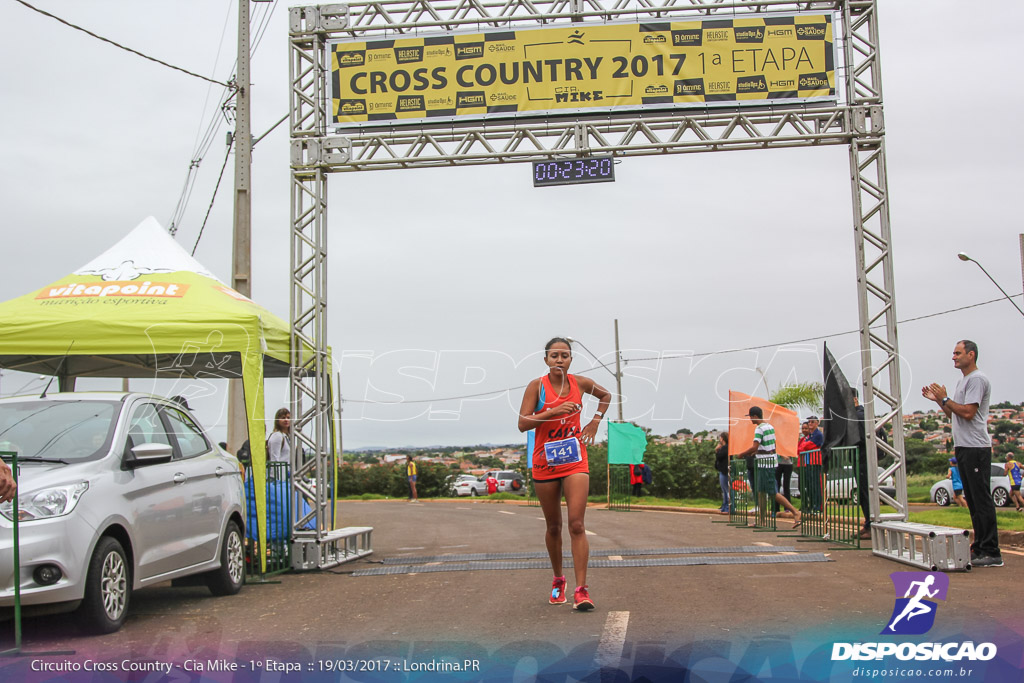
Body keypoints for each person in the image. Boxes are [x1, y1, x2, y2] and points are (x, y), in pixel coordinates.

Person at [518, 337, 611, 612]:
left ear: (571, 359)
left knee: (577, 524)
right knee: (554, 527)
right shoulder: (537, 386)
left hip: (574, 459)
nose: (560, 360)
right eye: (555, 355)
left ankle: (582, 590)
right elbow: (523, 423)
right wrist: (554, 411)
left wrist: (594, 422)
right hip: (545, 461)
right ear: (546, 359)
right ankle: (559, 579)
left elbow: (606, 396)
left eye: (565, 356)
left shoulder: (580, 384)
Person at [922, 340, 1001, 567]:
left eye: (958, 353)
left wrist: (946, 398)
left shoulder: (977, 379)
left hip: (976, 447)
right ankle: (979, 548)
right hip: (964, 447)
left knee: (981, 499)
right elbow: (954, 415)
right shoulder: (963, 381)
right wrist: (940, 400)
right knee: (973, 500)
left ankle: (991, 550)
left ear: (971, 355)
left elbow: (967, 412)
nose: (953, 357)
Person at [734, 406, 801, 527]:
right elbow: (770, 445)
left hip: (765, 464)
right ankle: (761, 520)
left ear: (755, 416)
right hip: (769, 462)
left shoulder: (759, 429)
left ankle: (795, 512)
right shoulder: (770, 427)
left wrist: (742, 454)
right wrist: (758, 451)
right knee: (761, 492)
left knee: (772, 492)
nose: (750, 420)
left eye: (750, 417)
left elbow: (755, 446)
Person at [714, 433, 731, 514]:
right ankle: (724, 505)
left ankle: (727, 507)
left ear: (723, 438)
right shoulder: (724, 448)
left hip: (725, 470)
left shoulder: (726, 448)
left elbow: (719, 457)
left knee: (726, 489)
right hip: (722, 470)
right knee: (724, 490)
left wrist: (717, 450)